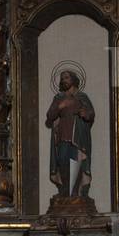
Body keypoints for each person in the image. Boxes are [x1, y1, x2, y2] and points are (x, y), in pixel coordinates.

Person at [45, 69, 95, 197]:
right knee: (62, 161)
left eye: (66, 77)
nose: (63, 80)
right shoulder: (59, 98)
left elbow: (90, 113)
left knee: (76, 161)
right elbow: (50, 115)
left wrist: (86, 114)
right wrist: (61, 106)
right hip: (63, 135)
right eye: (62, 78)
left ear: (73, 79)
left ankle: (76, 192)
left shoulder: (82, 97)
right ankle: (65, 191)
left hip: (77, 136)